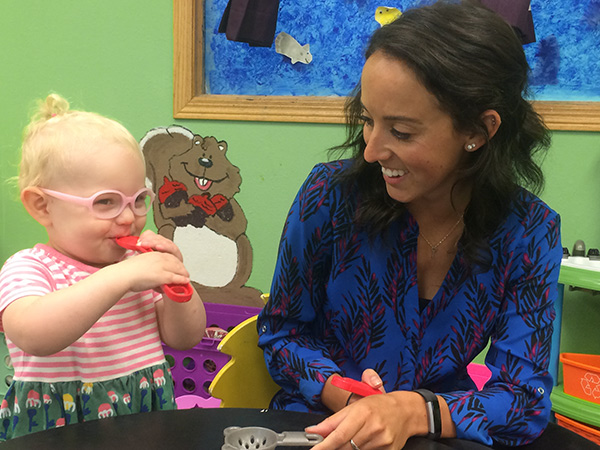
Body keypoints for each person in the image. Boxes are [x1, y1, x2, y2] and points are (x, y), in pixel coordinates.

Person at [257, 1, 562, 449]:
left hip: (432, 437)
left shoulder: (529, 231)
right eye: (367, 120)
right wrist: (353, 401)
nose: (371, 151)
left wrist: (412, 411)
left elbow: (523, 398)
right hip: (316, 431)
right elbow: (281, 333)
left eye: (400, 131)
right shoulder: (330, 197)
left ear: (479, 130)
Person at [0, 94, 206, 441]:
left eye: (138, 200)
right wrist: (120, 277)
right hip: (59, 426)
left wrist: (176, 281)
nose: (129, 218)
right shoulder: (31, 267)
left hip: (143, 415)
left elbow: (185, 338)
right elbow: (32, 335)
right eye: (106, 202)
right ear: (42, 206)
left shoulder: (137, 266)